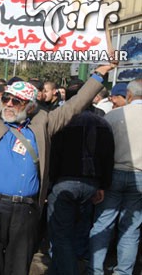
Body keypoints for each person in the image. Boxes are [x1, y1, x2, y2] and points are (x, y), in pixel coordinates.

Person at [0, 37, 116, 274]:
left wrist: (101, 71)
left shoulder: (44, 124)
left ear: (30, 106)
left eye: (15, 101)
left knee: (18, 268)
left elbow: (75, 105)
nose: (7, 104)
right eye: (5, 98)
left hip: (26, 212)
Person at [47, 79, 115, 275]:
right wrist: (102, 185)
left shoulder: (61, 121)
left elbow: (54, 155)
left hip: (64, 184)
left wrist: (49, 184)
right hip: (91, 185)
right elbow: (107, 157)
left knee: (61, 235)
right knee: (78, 231)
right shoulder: (103, 123)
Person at [88, 78, 142, 275]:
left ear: (128, 95)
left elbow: (100, 151)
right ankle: (124, 272)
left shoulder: (113, 116)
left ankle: (94, 269)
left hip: (113, 174)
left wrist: (99, 181)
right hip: (139, 177)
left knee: (103, 224)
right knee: (131, 229)